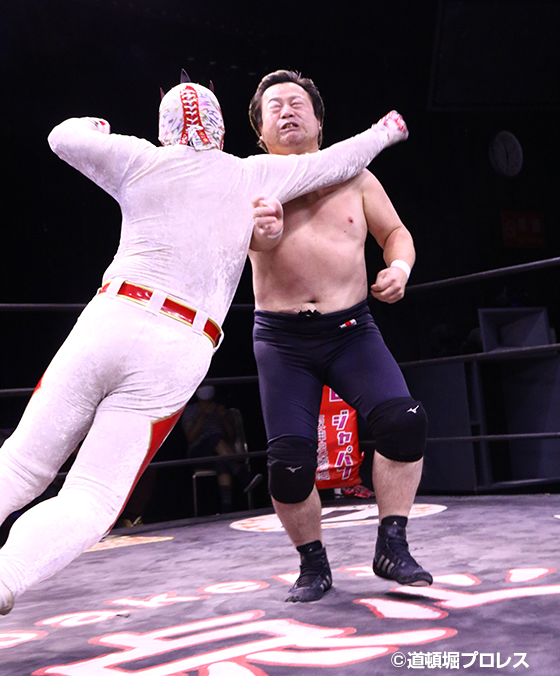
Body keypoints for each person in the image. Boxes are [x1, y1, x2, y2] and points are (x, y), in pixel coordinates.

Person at [0, 72, 408, 616]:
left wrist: (96, 126)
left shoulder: (139, 159)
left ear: (164, 127)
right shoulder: (249, 173)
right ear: (224, 128)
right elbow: (337, 161)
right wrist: (384, 131)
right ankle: (7, 576)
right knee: (93, 495)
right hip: (178, 342)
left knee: (21, 463)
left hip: (112, 315)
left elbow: (62, 137)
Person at [248, 69, 432, 603]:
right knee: (289, 466)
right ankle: (312, 564)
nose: (287, 111)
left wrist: (399, 268)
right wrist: (255, 234)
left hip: (351, 330)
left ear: (319, 121)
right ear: (260, 131)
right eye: (275, 106)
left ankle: (392, 544)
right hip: (282, 340)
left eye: (297, 103)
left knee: (404, 421)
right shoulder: (247, 181)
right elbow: (225, 248)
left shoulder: (357, 178)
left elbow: (395, 233)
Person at [182, 384, 259, 512]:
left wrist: (224, 417)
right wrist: (203, 415)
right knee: (215, 438)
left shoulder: (220, 409)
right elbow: (191, 438)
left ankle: (226, 509)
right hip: (199, 452)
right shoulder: (190, 410)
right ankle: (241, 473)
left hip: (220, 452)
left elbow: (232, 437)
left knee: (221, 461)